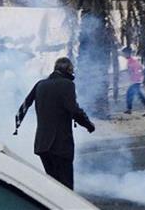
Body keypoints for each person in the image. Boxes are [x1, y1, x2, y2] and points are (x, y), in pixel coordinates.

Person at [13, 57, 95, 189]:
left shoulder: (40, 84)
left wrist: (17, 124)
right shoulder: (67, 84)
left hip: (42, 144)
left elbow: (25, 105)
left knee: (53, 186)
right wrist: (88, 125)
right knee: (66, 187)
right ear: (68, 70)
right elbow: (73, 109)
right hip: (60, 144)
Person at [122, 47, 145, 116]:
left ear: (128, 53)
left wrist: (136, 79)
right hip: (135, 81)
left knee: (136, 95)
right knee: (132, 95)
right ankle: (130, 109)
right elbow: (132, 71)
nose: (124, 55)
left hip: (136, 82)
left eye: (124, 54)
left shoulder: (133, 62)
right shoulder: (130, 61)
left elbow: (137, 71)